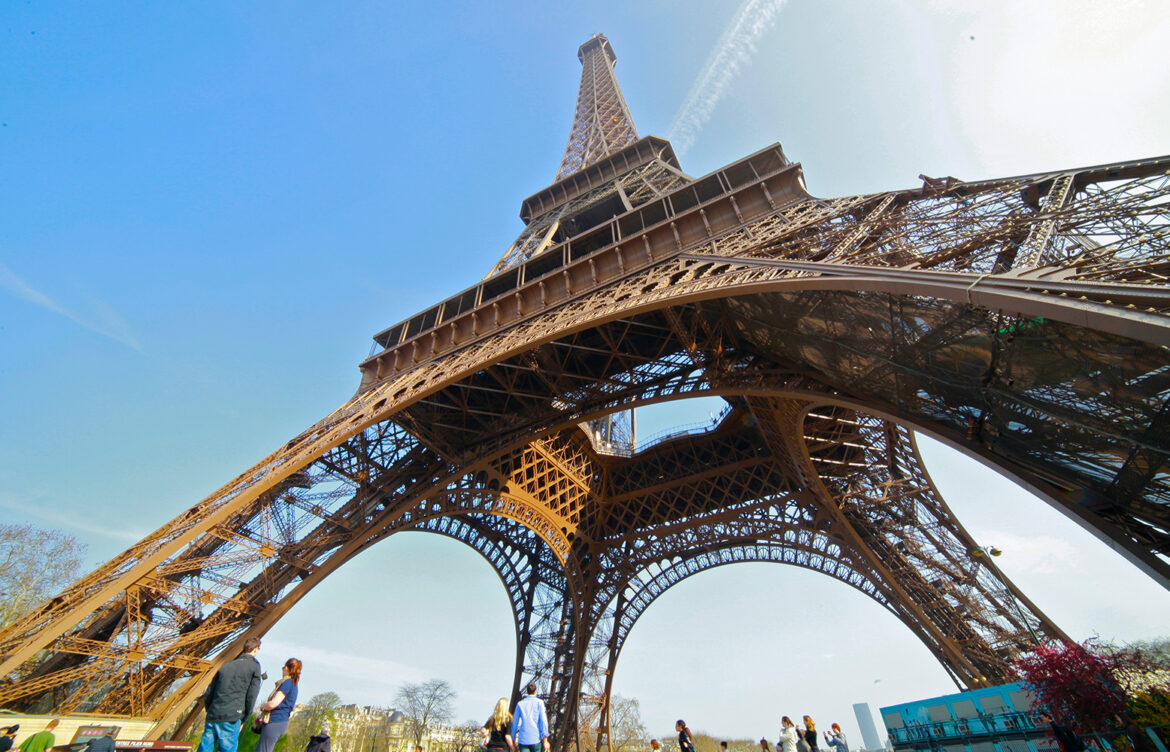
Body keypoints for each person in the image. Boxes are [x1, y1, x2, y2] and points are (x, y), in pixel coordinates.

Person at [199, 636, 263, 752]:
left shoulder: (226, 666)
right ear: (256, 649)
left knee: (204, 748)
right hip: (232, 716)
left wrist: (211, 710)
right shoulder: (254, 667)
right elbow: (252, 696)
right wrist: (244, 718)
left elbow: (209, 693)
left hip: (214, 714)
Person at [256, 657, 300, 752]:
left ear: (287, 669)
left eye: (283, 667)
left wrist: (263, 705)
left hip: (275, 721)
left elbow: (273, 704)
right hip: (280, 721)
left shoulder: (288, 682)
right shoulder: (294, 684)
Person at [511, 682, 550, 752]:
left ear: (527, 691)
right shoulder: (540, 703)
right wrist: (545, 740)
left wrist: (513, 741)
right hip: (536, 738)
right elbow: (543, 721)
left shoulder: (520, 704)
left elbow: (514, 723)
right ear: (535, 691)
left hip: (523, 739)